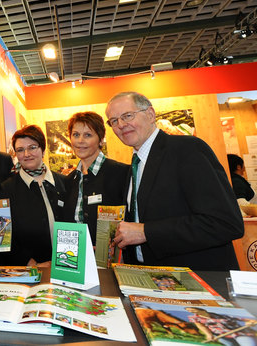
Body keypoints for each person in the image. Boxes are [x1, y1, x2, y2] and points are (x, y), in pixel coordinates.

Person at [107, 91, 244, 270]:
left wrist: (146, 232)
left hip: (199, 282)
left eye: (127, 116)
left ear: (150, 114)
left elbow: (225, 223)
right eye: (114, 121)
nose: (121, 125)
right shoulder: (134, 165)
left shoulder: (188, 150)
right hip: (152, 281)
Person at [0, 125, 67, 267]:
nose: (27, 154)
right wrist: (31, 264)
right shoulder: (6, 189)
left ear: (43, 149)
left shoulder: (64, 182)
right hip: (29, 270)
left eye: (32, 147)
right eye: (20, 150)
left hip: (67, 265)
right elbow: (3, 236)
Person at [61, 111, 129, 241]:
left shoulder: (121, 173)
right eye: (76, 135)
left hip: (112, 257)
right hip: (77, 257)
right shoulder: (69, 181)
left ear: (100, 139)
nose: (80, 141)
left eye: (88, 135)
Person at [185, 306, 257, 346]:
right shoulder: (194, 318)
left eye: (190, 308)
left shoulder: (218, 315)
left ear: (200, 308)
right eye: (188, 310)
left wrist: (250, 322)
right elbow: (201, 326)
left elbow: (240, 319)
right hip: (221, 335)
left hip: (238, 333)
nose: (190, 310)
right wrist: (209, 335)